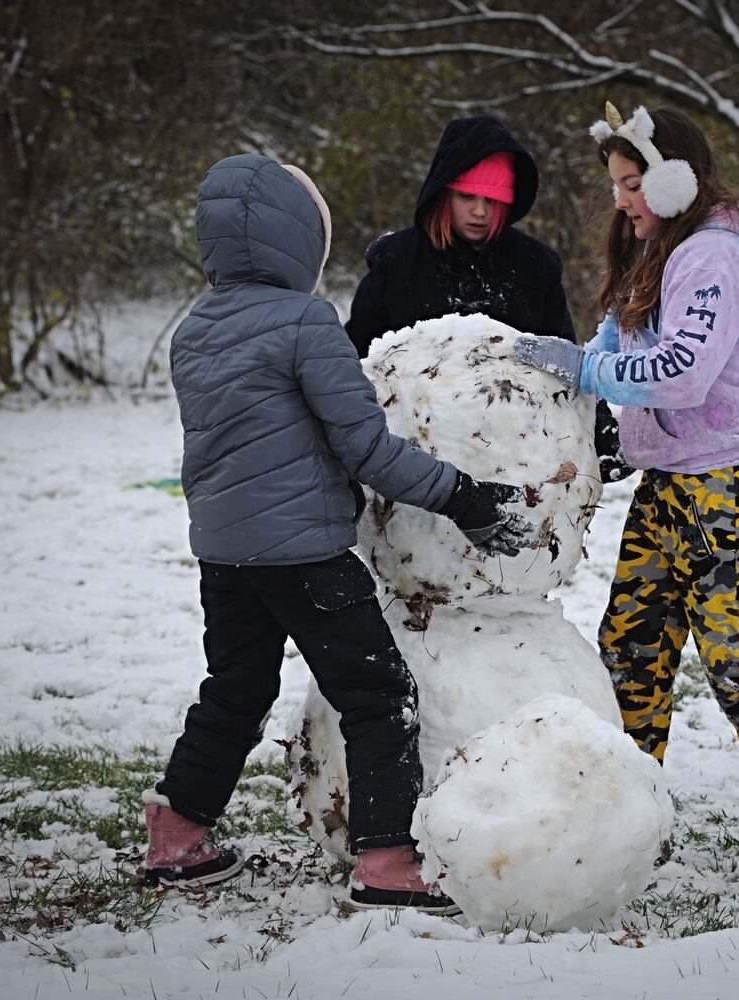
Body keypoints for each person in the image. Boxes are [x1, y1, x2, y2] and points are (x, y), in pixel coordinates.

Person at [144, 153, 532, 913]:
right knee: (379, 693)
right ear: (297, 242)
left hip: (225, 554)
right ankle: (388, 860)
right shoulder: (305, 322)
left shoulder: (194, 331)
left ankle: (177, 832)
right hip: (306, 555)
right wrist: (463, 496)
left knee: (236, 689)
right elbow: (367, 449)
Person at [510, 102, 739, 867]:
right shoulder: (656, 246)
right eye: (616, 184)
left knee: (735, 657)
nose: (621, 200)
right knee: (632, 646)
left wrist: (588, 369)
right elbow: (614, 344)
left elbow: (684, 373)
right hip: (674, 483)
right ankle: (630, 813)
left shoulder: (713, 256)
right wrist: (589, 400)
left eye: (632, 183)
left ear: (675, 178)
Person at [345, 113, 629, 482]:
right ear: (444, 193)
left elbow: (562, 357)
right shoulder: (396, 261)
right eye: (468, 196)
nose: (480, 211)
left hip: (512, 459)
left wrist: (599, 435)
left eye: (493, 200)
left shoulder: (534, 267)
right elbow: (355, 356)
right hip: (412, 459)